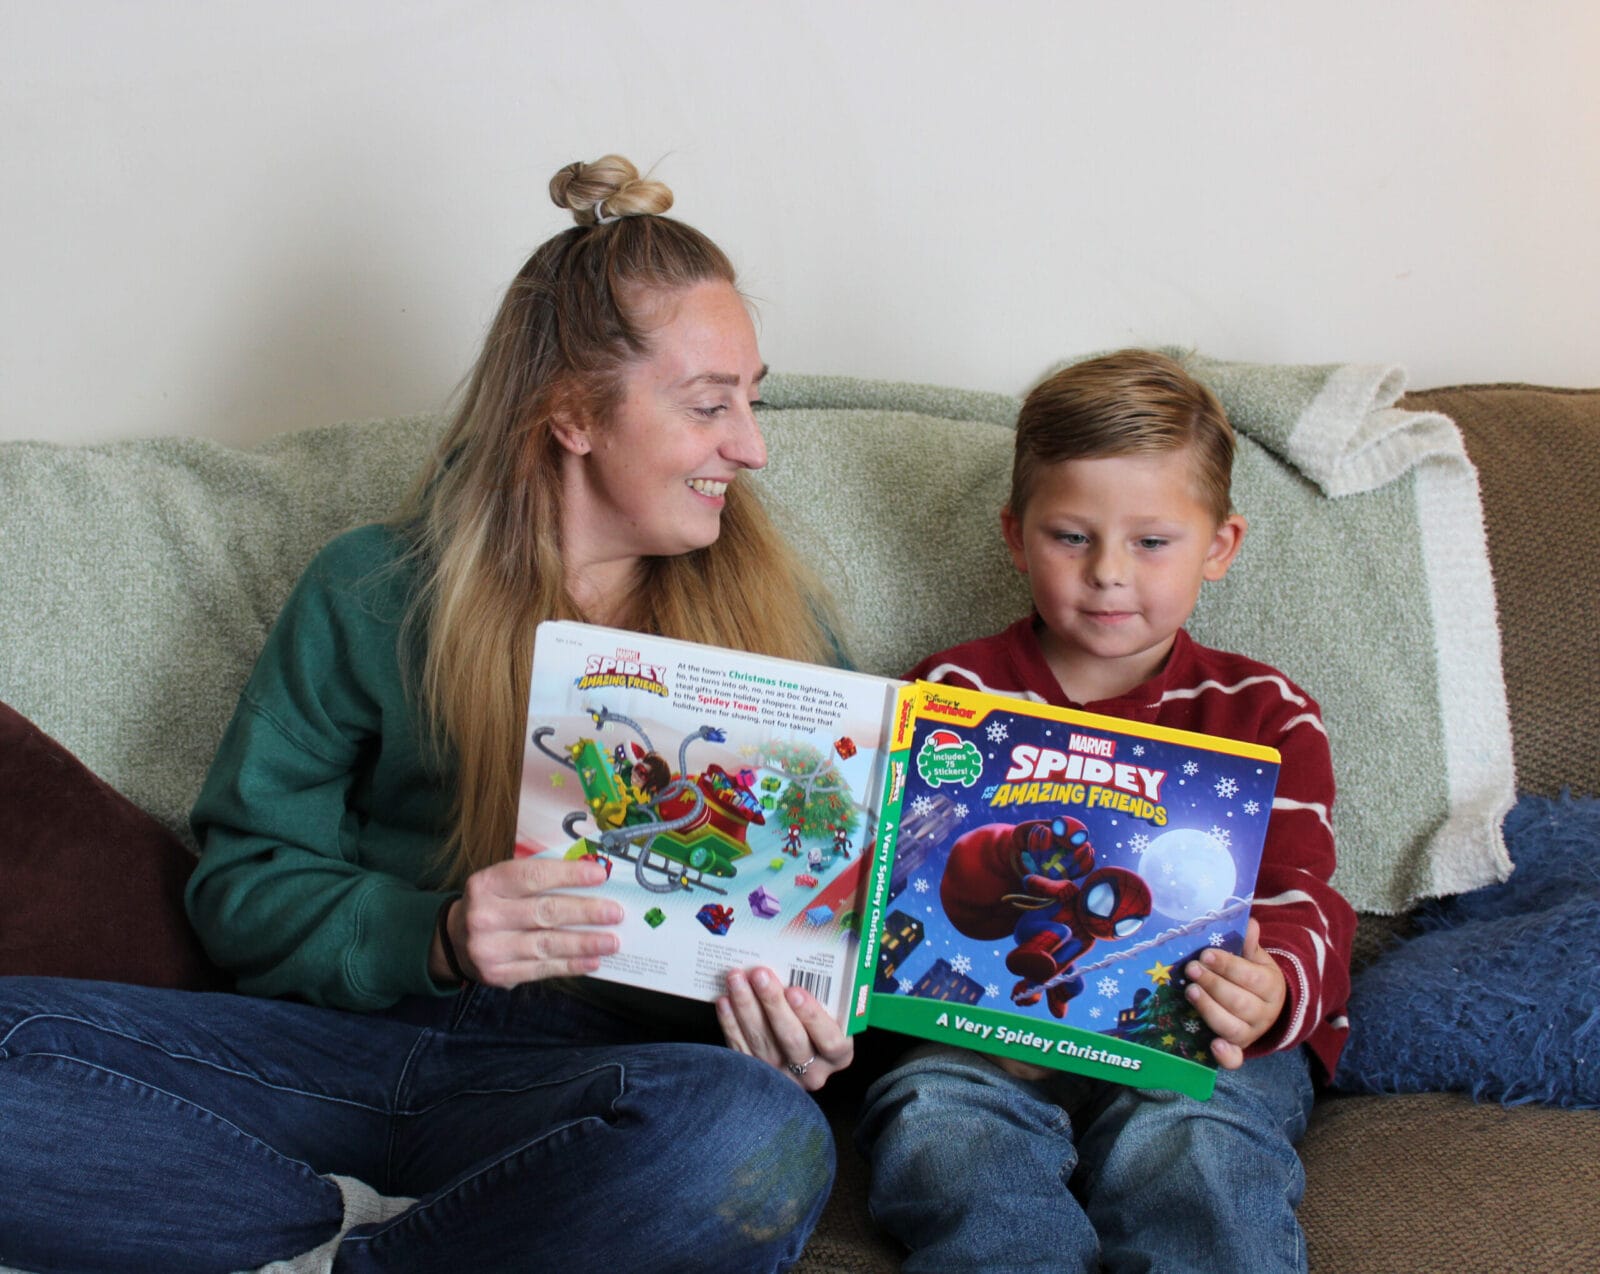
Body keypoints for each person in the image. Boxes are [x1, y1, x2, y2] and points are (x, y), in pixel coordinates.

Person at [0, 155, 850, 1273]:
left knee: (751, 1132)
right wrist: (437, 932)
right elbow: (242, 888)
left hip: (582, 1087)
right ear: (571, 414)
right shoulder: (371, 588)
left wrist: (802, 1030)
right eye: (709, 404)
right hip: (332, 1053)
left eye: (752, 398)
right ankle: (334, 1229)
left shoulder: (781, 636)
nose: (752, 444)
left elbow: (826, 936)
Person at [856, 349, 1357, 1273]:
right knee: (941, 1124)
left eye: (1152, 542)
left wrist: (1273, 987)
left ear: (1220, 547)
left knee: (1198, 1149)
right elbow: (889, 891)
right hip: (985, 1040)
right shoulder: (953, 696)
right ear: (1016, 538)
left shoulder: (1265, 712)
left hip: (1194, 1041)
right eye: (1071, 537)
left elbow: (1305, 897)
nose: (1108, 574)